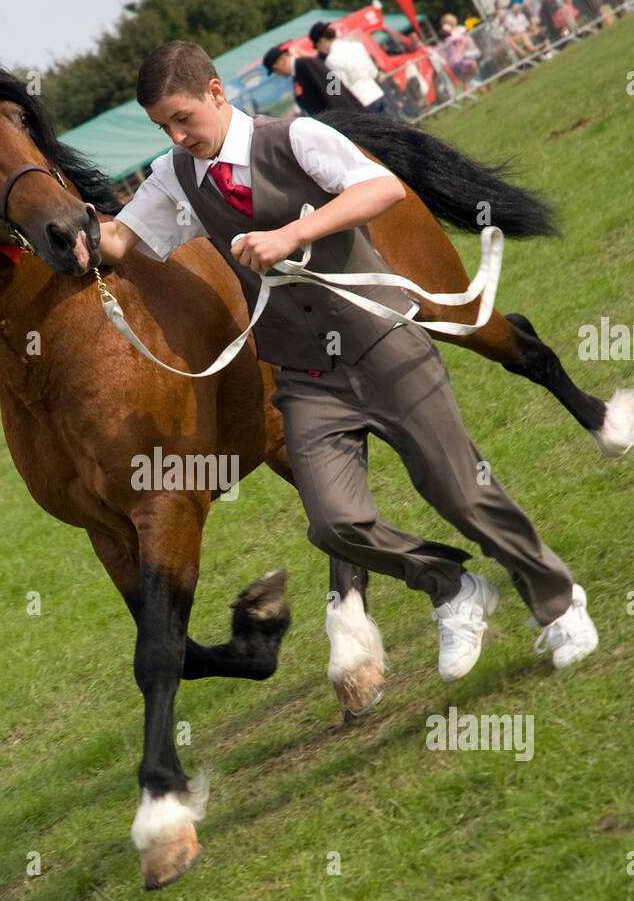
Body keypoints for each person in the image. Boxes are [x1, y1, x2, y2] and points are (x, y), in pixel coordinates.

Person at [95, 39, 598, 679]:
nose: (175, 134)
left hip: (381, 343)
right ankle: (453, 588)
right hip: (306, 377)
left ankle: (559, 604)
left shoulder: (296, 137)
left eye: (182, 118)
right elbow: (119, 239)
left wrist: (293, 233)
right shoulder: (175, 173)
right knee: (334, 523)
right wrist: (59, 225)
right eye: (162, 126)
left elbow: (382, 189)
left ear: (215, 93)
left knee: (459, 493)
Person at [309, 22, 391, 115]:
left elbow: (336, 90)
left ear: (322, 40)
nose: (319, 50)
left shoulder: (331, 60)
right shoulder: (357, 46)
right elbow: (373, 72)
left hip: (361, 103)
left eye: (318, 46)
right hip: (377, 94)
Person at [262, 43, 360, 118]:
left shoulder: (306, 64)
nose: (277, 74)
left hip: (345, 117)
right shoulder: (297, 73)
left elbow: (334, 88)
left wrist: (345, 115)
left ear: (282, 60)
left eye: (275, 69)